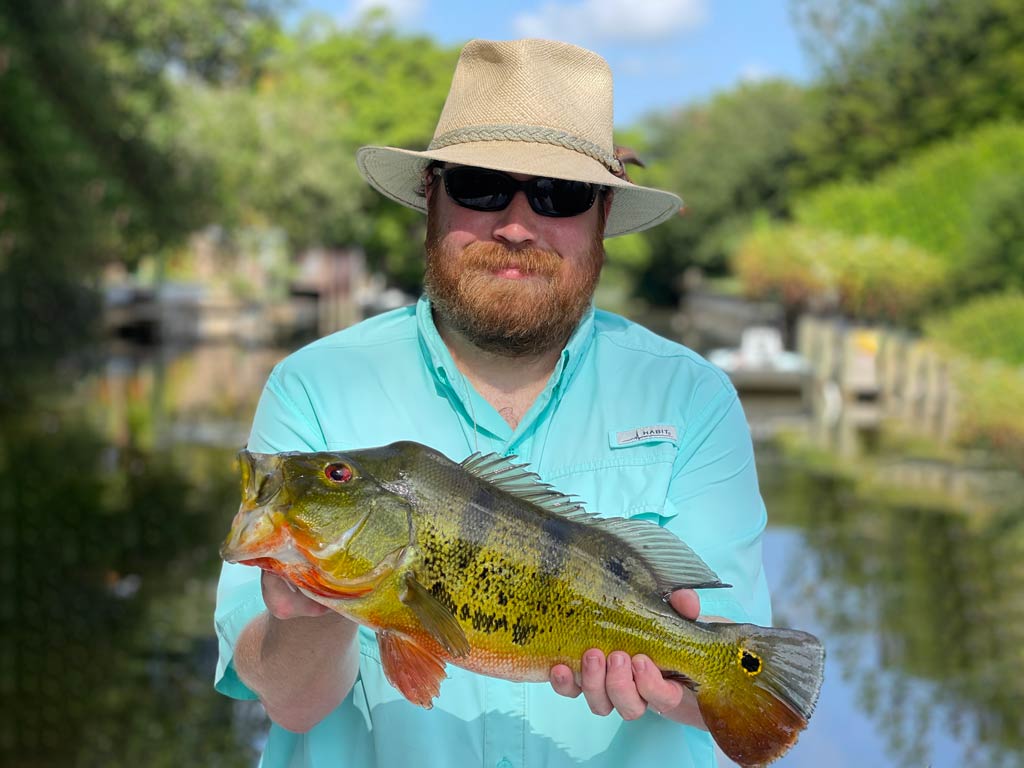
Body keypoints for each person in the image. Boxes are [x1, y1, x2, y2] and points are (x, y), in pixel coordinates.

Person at [214, 38, 771, 768]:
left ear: (602, 216)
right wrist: (307, 611)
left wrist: (665, 681)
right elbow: (289, 702)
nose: (515, 222)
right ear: (431, 198)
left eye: (559, 195)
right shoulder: (315, 386)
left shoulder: (692, 397)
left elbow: (740, 700)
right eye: (480, 185)